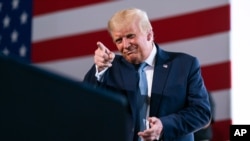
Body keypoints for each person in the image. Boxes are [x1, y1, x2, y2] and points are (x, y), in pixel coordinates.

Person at [83, 8, 211, 141]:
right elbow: (84, 105)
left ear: (149, 35)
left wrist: (164, 126)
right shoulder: (109, 67)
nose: (125, 45)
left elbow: (201, 113)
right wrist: (99, 70)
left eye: (130, 36)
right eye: (119, 40)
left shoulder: (184, 65)